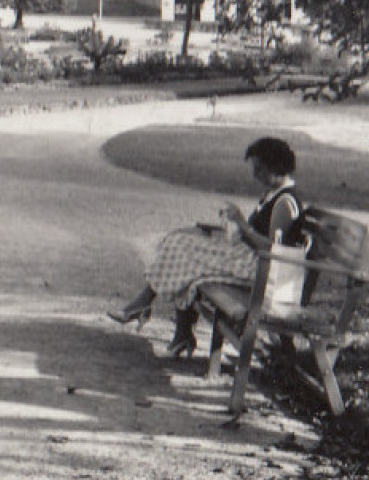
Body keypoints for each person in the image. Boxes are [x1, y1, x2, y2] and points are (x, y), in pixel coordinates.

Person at [108, 137, 306, 357]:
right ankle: (176, 331)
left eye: (259, 170)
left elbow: (273, 250)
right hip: (250, 261)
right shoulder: (274, 194)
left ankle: (150, 310)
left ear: (276, 167)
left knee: (185, 251)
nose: (255, 175)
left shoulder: (286, 203)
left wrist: (241, 224)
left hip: (261, 271)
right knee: (183, 242)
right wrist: (234, 225)